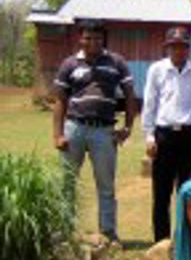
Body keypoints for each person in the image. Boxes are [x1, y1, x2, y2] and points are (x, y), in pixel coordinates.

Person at [52, 20, 136, 241]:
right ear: (80, 38)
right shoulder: (69, 64)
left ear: (103, 39)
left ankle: (108, 233)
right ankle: (63, 231)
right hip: (74, 128)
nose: (92, 42)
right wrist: (58, 134)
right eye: (88, 38)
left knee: (106, 185)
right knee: (67, 183)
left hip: (105, 131)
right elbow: (60, 101)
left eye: (97, 38)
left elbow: (129, 96)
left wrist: (127, 127)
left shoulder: (116, 62)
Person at [142, 26, 191, 242]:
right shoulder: (157, 70)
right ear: (167, 48)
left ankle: (185, 241)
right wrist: (149, 136)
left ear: (188, 48)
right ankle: (161, 241)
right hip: (165, 136)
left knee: (187, 193)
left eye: (183, 46)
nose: (178, 51)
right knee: (161, 193)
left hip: (190, 136)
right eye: (174, 46)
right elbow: (149, 104)